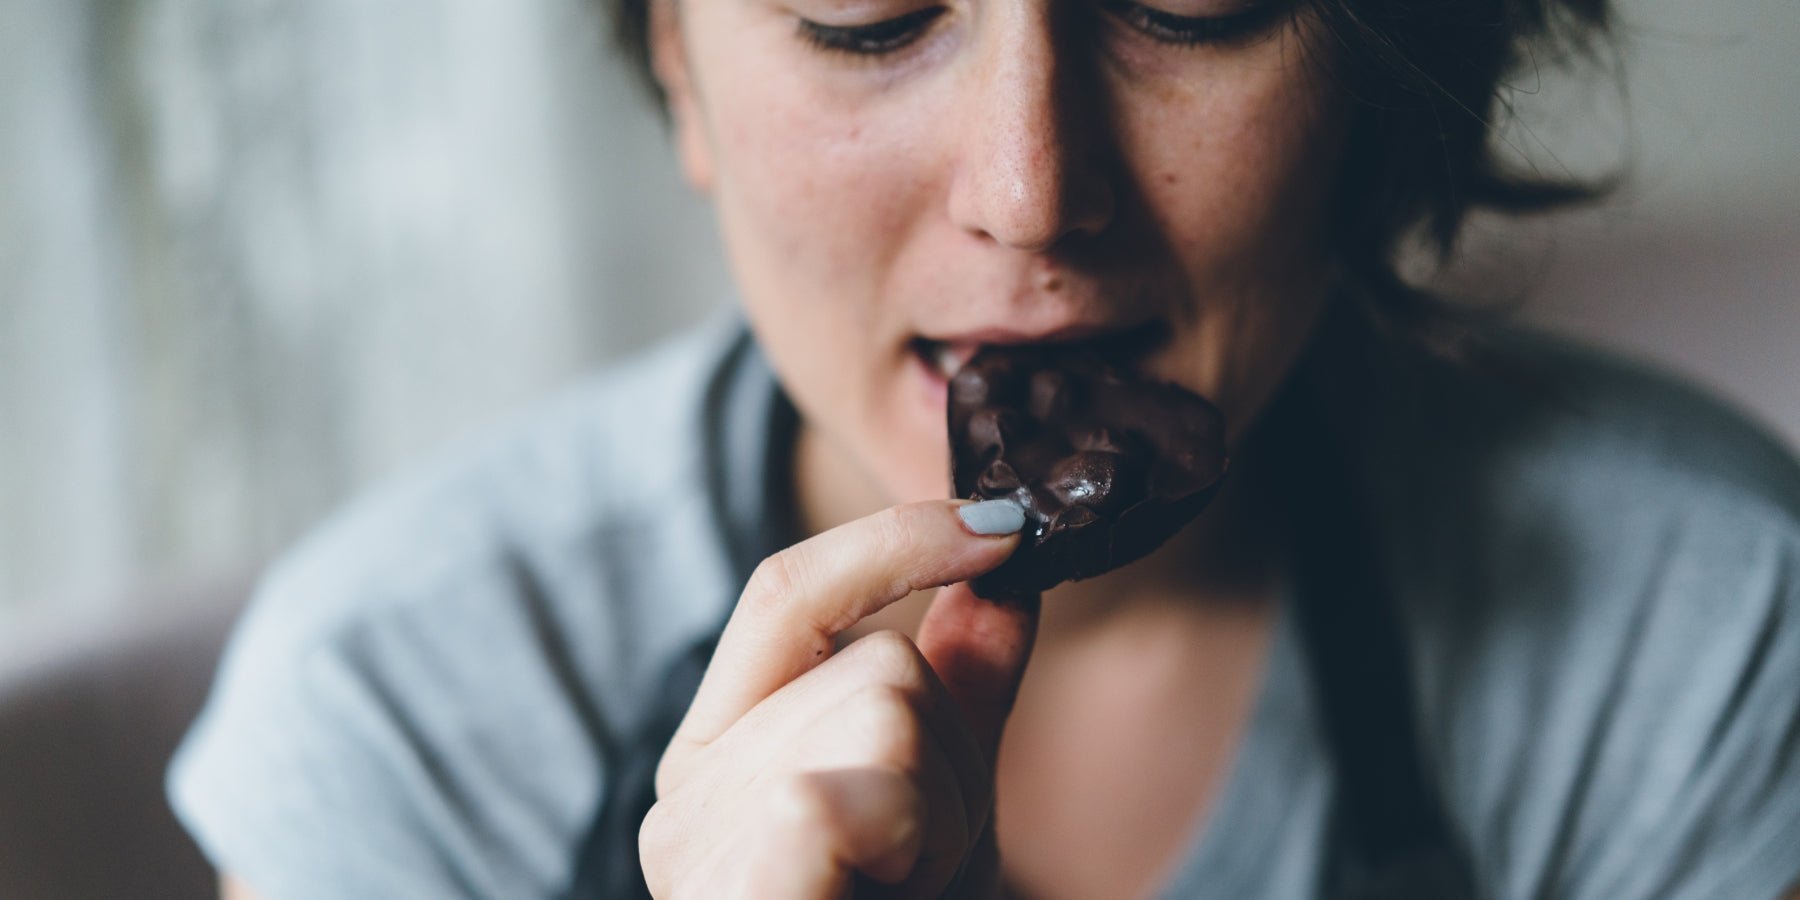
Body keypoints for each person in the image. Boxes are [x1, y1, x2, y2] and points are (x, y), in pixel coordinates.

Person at [167, 0, 1800, 897]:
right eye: (869, 16)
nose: (1031, 187)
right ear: (676, 56)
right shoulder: (401, 715)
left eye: (1192, 4)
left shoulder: (1709, 632)